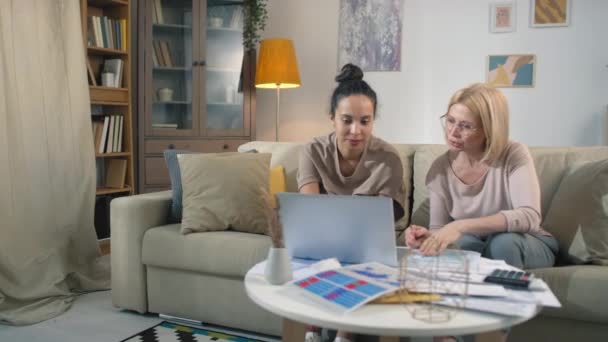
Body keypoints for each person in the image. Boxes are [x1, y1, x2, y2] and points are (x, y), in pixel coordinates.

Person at [405, 83, 558, 342]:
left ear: (489, 128)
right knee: (461, 245)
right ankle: (448, 336)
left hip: (529, 242)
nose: (453, 131)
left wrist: (462, 225)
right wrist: (427, 238)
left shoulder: (513, 154)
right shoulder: (441, 167)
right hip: (477, 243)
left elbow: (530, 216)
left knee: (502, 243)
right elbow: (440, 230)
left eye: (465, 125)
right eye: (450, 121)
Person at [297, 63, 405, 342]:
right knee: (317, 251)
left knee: (361, 255)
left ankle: (341, 335)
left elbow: (380, 225)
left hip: (368, 244)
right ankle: (314, 328)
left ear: (373, 121)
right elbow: (310, 211)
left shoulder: (388, 158)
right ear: (331, 118)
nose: (356, 130)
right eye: (347, 120)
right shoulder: (312, 151)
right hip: (322, 237)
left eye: (365, 121)